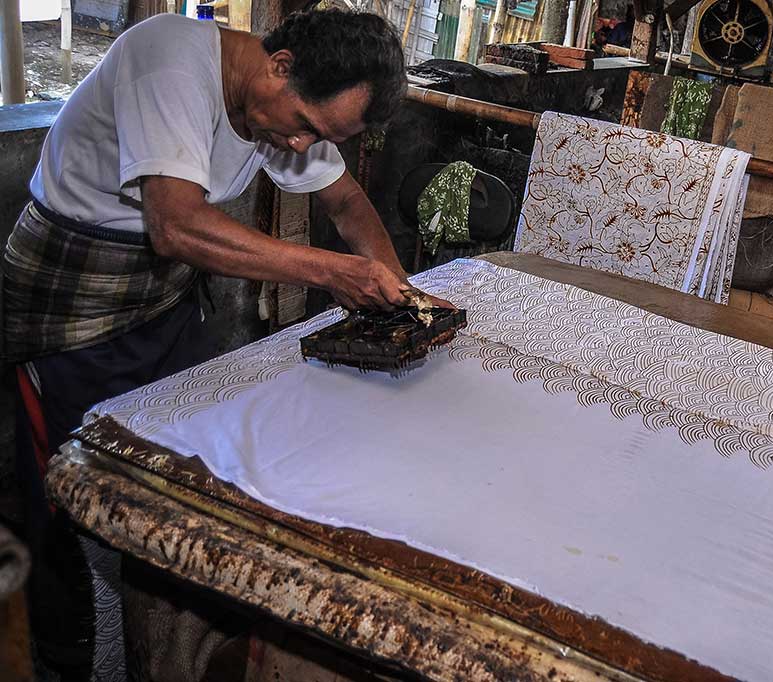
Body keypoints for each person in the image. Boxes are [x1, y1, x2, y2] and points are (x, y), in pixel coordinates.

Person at [4, 8, 447, 679]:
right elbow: (176, 226)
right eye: (305, 126)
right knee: (72, 484)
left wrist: (401, 294)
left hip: (163, 300)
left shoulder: (285, 109)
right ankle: (65, 652)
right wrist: (333, 271)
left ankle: (170, 628)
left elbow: (349, 205)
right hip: (73, 300)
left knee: (183, 468)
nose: (300, 147)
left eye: (318, 137)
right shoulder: (168, 59)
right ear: (281, 64)